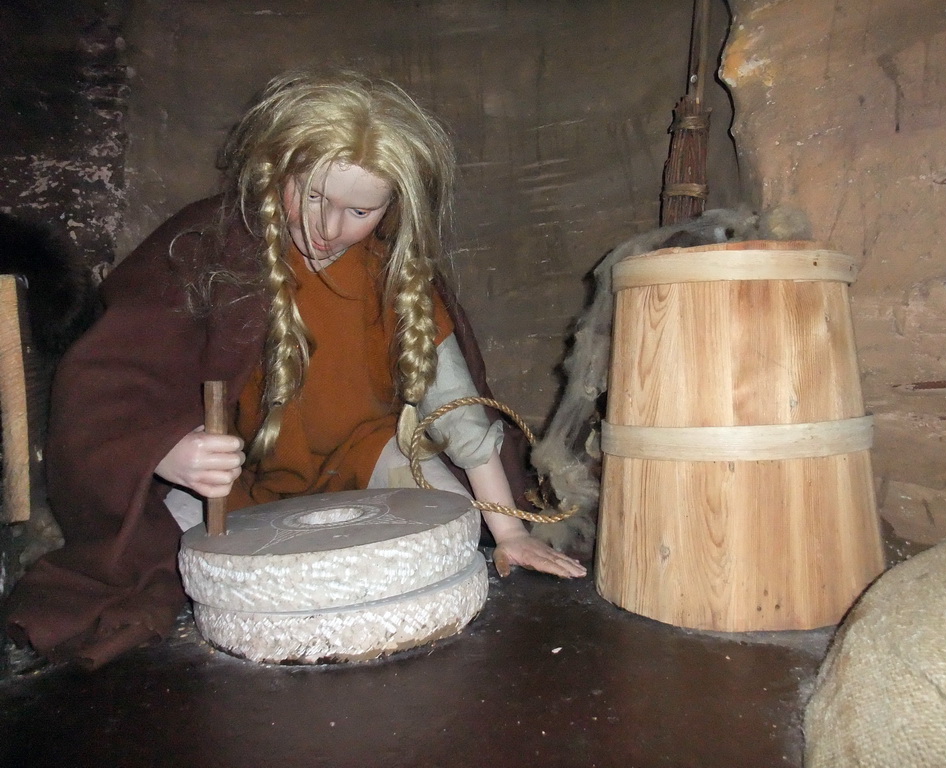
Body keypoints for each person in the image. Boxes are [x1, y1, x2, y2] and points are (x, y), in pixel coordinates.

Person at [5, 67, 584, 669]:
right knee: (174, 568)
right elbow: (117, 375)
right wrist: (166, 449)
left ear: (391, 207)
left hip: (366, 460)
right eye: (311, 197)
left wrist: (509, 534)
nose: (327, 230)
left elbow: (460, 415)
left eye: (359, 211)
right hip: (236, 480)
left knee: (451, 544)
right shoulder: (210, 245)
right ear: (277, 169)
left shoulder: (396, 278)